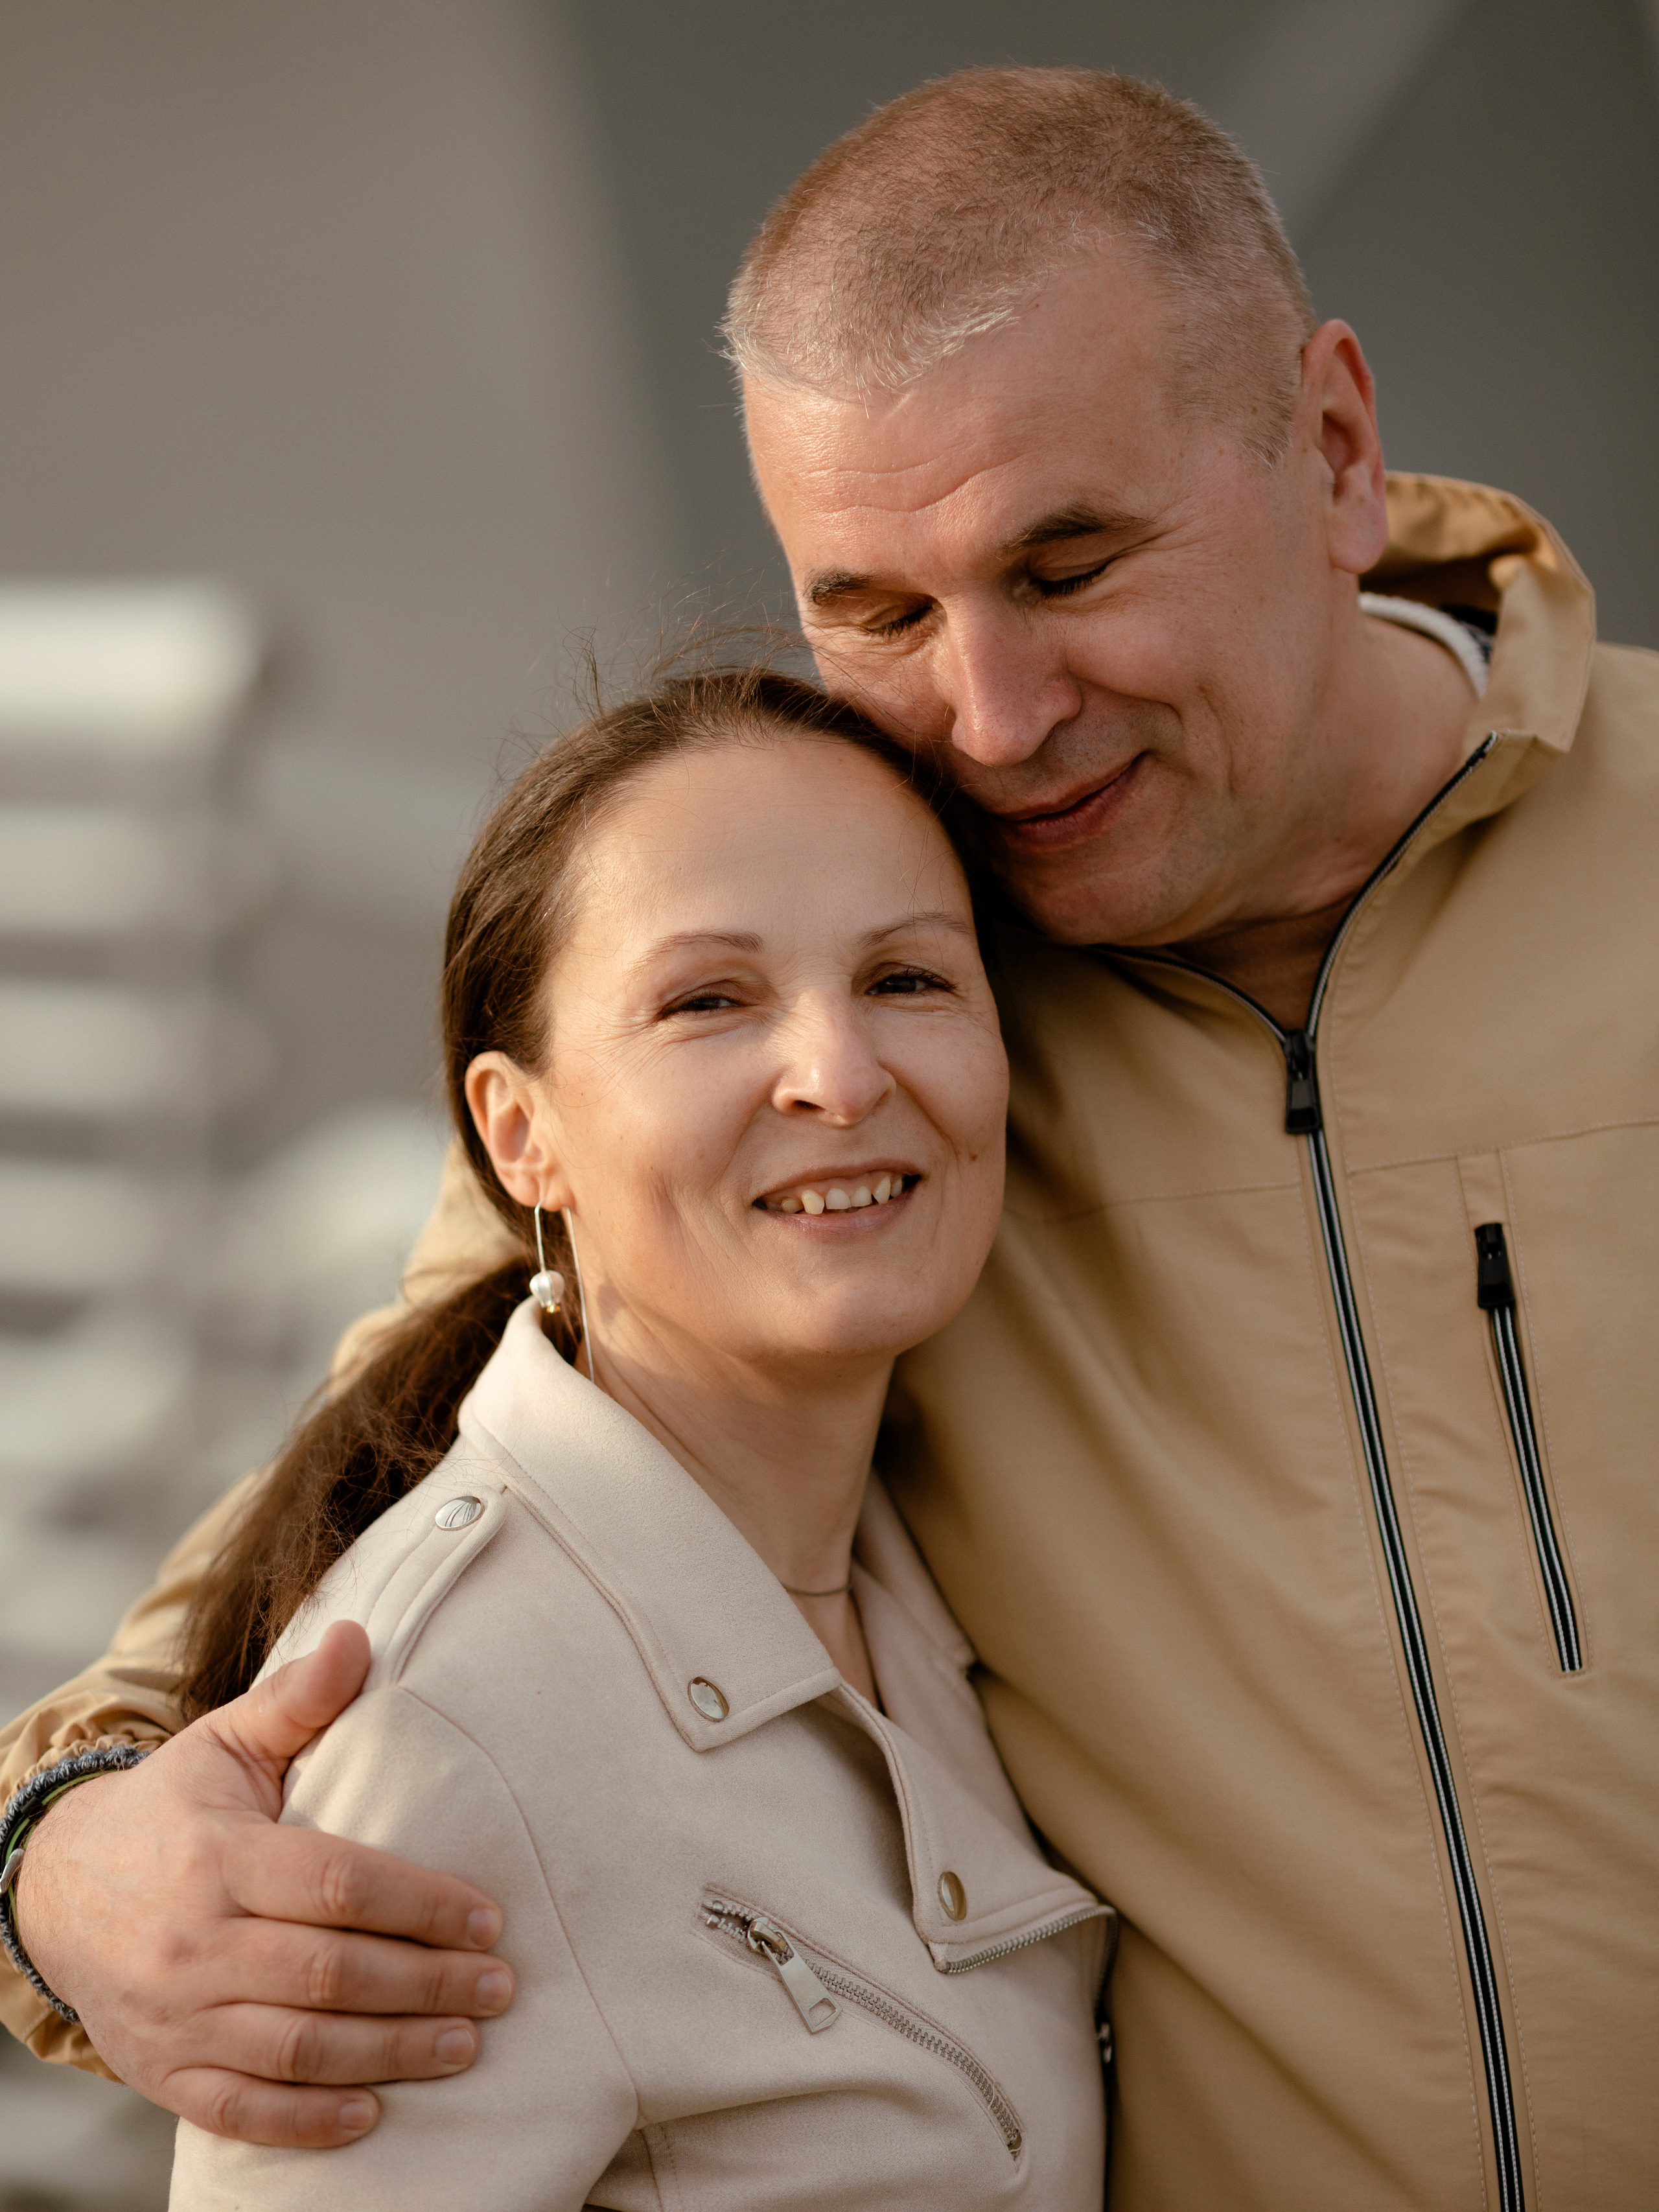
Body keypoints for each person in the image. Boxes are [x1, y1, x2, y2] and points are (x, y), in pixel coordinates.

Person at [2, 62, 1654, 2212]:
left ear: (1336, 449)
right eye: (876, 608)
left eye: (1071, 562)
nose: (996, 715)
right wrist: (60, 1842)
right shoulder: (861, 1006)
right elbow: (369, 1488)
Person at [163, 668, 1111, 2206]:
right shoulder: (447, 1726)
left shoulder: (915, 1575)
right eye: (707, 1001)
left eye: (906, 978)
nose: (840, 1074)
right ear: (518, 1133)